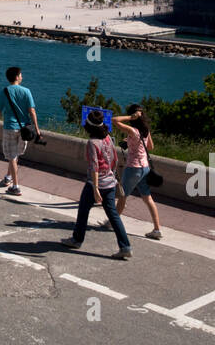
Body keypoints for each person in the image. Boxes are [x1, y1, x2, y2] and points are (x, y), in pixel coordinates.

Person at [62, 110, 131, 259]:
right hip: (110, 183)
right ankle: (125, 246)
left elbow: (94, 166)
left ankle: (77, 240)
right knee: (113, 216)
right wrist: (111, 175)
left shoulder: (92, 143)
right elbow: (115, 160)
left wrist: (95, 188)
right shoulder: (108, 138)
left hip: (96, 183)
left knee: (83, 211)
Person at [112, 104, 163, 240]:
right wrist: (129, 142)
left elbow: (114, 120)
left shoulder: (133, 131)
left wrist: (130, 117)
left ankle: (112, 223)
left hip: (133, 168)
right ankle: (157, 229)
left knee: (123, 196)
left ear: (134, 116)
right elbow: (150, 147)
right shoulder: (145, 130)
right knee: (148, 198)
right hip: (145, 168)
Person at [0, 66, 40, 196]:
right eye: (21, 75)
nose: (22, 76)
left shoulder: (4, 92)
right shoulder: (26, 91)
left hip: (10, 127)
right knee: (15, 155)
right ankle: (8, 178)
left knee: (12, 156)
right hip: (24, 129)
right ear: (17, 77)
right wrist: (37, 129)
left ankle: (15, 186)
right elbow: (32, 111)